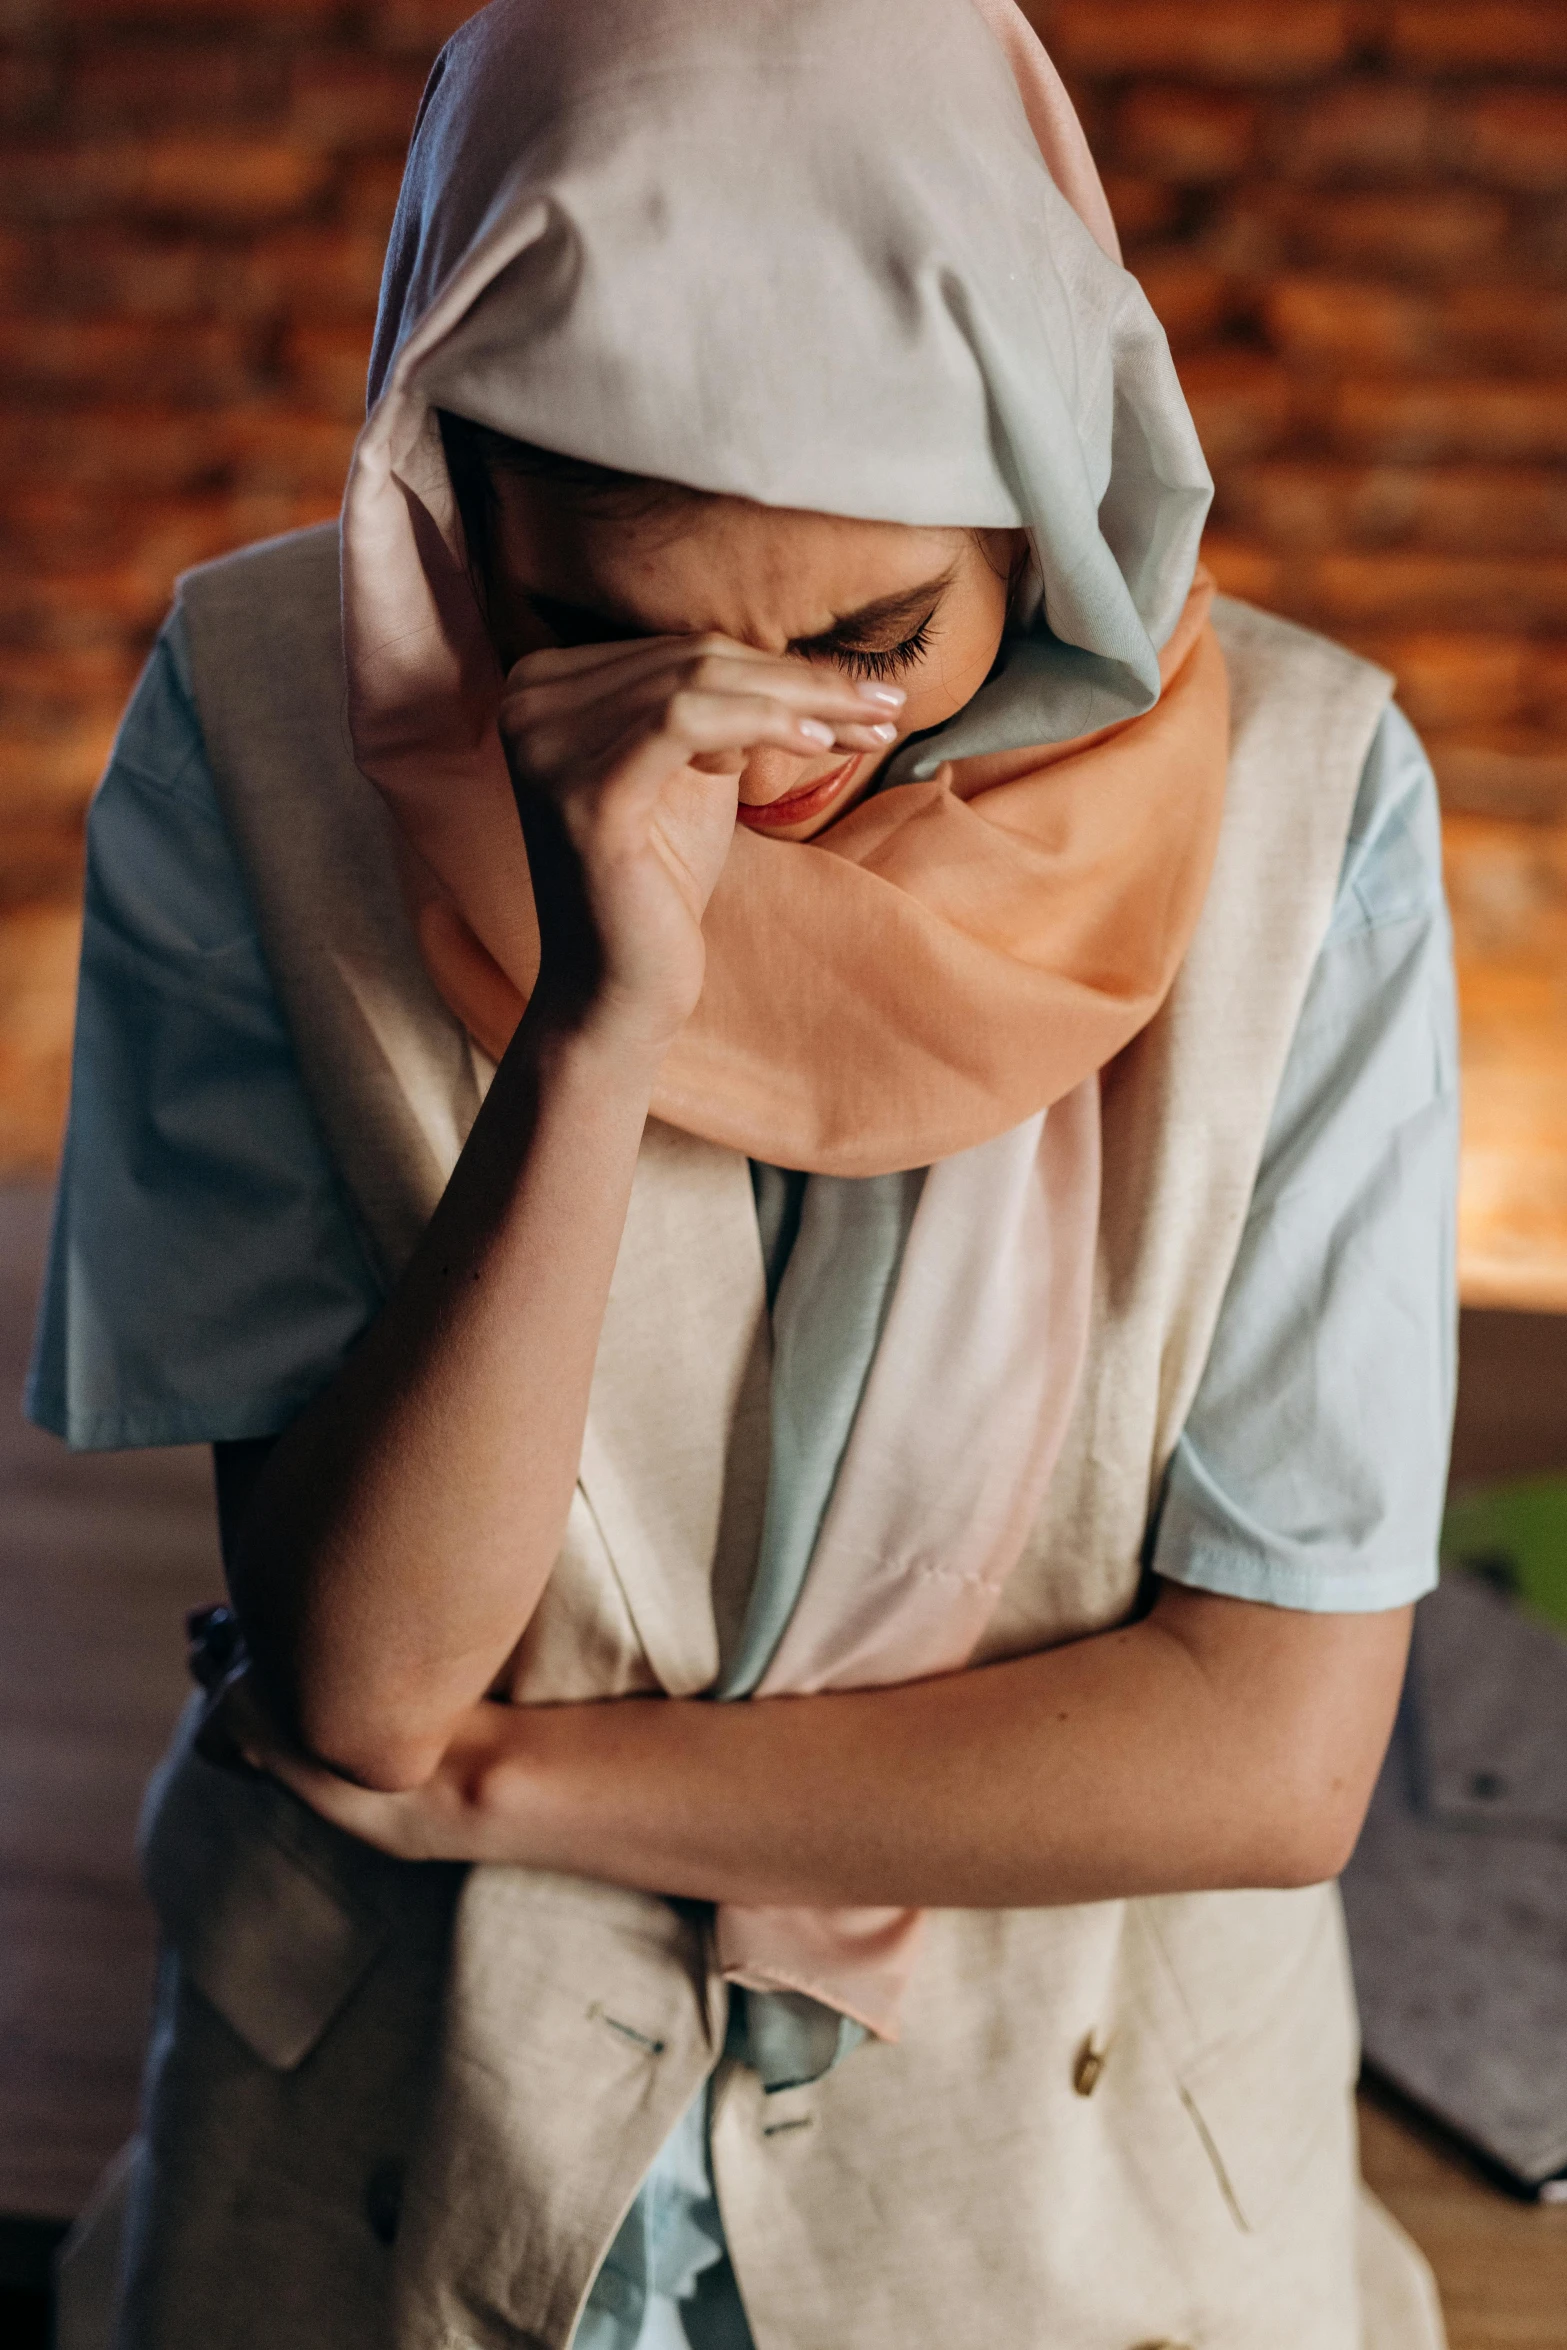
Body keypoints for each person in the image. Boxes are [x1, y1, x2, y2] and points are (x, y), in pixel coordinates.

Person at [30, 2, 1458, 2344]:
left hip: (1071, 2216)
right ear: (448, 504)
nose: (749, 753)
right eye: (601, 636)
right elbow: (368, 1671)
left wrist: (517, 1788)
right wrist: (598, 1018)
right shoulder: (270, 716)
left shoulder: (1320, 812)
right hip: (406, 2171)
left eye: (873, 640)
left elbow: (1269, 1749)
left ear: (1043, 496)